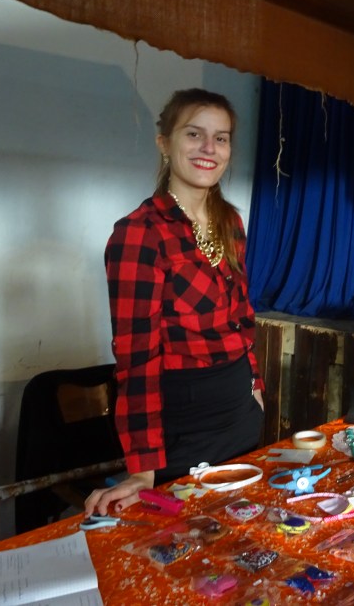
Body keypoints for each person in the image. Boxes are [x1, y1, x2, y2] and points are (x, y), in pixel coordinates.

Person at [85, 89, 264, 517]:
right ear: (164, 143)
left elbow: (241, 315)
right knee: (188, 541)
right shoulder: (140, 233)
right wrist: (142, 471)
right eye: (194, 134)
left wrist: (255, 386)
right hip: (183, 424)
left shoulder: (230, 221)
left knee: (245, 535)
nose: (209, 148)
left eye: (221, 138)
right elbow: (136, 357)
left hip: (240, 414)